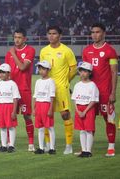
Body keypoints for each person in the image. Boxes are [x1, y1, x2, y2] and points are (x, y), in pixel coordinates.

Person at [82, 23, 118, 157]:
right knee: (88, 119)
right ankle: (87, 148)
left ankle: (111, 147)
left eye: (97, 32)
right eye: (92, 32)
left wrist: (113, 92)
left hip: (104, 92)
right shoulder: (86, 50)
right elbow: (85, 73)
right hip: (90, 93)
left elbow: (114, 73)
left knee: (108, 118)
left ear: (104, 33)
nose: (94, 35)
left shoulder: (110, 51)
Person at [39, 26, 77, 154]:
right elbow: (42, 69)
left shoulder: (67, 51)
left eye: (54, 34)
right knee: (45, 115)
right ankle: (48, 144)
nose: (51, 36)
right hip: (46, 87)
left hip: (61, 88)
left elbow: (73, 69)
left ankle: (68, 145)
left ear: (60, 35)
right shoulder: (44, 51)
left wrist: (66, 81)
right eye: (49, 33)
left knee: (65, 115)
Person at [4, 28, 36, 151]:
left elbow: (22, 67)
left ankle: (31, 143)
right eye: (15, 37)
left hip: (24, 89)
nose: (16, 39)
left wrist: (13, 53)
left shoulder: (30, 50)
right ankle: (9, 143)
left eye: (19, 37)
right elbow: (7, 73)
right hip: (11, 90)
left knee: (27, 116)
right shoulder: (9, 54)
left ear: (24, 39)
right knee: (9, 116)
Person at [71, 62, 99, 158]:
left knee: (89, 130)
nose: (82, 73)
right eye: (81, 71)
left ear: (90, 73)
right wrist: (78, 110)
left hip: (88, 109)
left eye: (85, 71)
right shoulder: (77, 85)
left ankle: (88, 151)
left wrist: (85, 111)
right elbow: (74, 99)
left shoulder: (92, 85)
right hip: (79, 108)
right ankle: (83, 150)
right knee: (82, 130)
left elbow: (93, 100)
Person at [0, 64, 21, 153]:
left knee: (11, 126)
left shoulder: (13, 84)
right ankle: (4, 145)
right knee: (3, 127)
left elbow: (15, 98)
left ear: (8, 73)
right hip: (0, 107)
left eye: (3, 72)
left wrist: (14, 111)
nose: (1, 74)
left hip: (9, 106)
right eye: (0, 72)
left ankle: (11, 145)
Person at [33, 60, 56, 155]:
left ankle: (52, 148)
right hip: (38, 105)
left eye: (43, 69)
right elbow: (35, 95)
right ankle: (41, 148)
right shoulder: (38, 81)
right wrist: (34, 108)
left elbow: (52, 96)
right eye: (39, 69)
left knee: (50, 127)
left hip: (46, 105)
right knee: (40, 128)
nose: (41, 71)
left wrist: (51, 109)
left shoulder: (51, 81)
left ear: (48, 70)